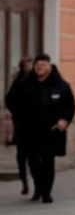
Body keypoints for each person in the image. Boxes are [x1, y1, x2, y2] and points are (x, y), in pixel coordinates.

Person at [10, 54, 75, 204]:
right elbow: (11, 100)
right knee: (32, 161)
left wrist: (65, 120)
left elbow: (70, 106)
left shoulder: (60, 85)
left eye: (43, 65)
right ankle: (38, 187)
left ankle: (47, 192)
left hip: (50, 131)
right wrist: (19, 116)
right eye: (38, 65)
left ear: (49, 67)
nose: (40, 68)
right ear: (34, 67)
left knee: (47, 161)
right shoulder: (24, 83)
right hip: (29, 131)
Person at [5, 58, 32, 195]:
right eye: (26, 65)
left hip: (36, 124)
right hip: (21, 124)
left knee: (34, 155)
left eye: (30, 65)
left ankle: (38, 185)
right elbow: (9, 99)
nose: (28, 68)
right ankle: (24, 182)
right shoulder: (18, 82)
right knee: (21, 155)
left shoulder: (38, 81)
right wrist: (17, 112)